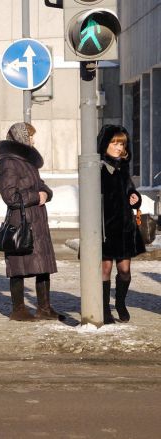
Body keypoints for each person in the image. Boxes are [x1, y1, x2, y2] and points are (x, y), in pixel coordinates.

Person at [0, 122, 63, 322]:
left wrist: (46, 193)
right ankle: (18, 310)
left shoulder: (28, 161)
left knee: (43, 265)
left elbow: (41, 185)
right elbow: (10, 196)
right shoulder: (9, 163)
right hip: (21, 222)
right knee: (18, 266)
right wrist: (36, 196)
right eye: (31, 136)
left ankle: (44, 308)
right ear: (22, 137)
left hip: (38, 220)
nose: (33, 140)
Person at [98, 125, 145, 324]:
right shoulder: (98, 167)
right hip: (104, 227)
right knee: (105, 270)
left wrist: (135, 197)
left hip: (124, 227)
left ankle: (120, 303)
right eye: (114, 143)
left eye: (122, 144)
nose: (118, 148)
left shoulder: (123, 168)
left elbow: (130, 191)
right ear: (105, 144)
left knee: (125, 270)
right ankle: (104, 309)